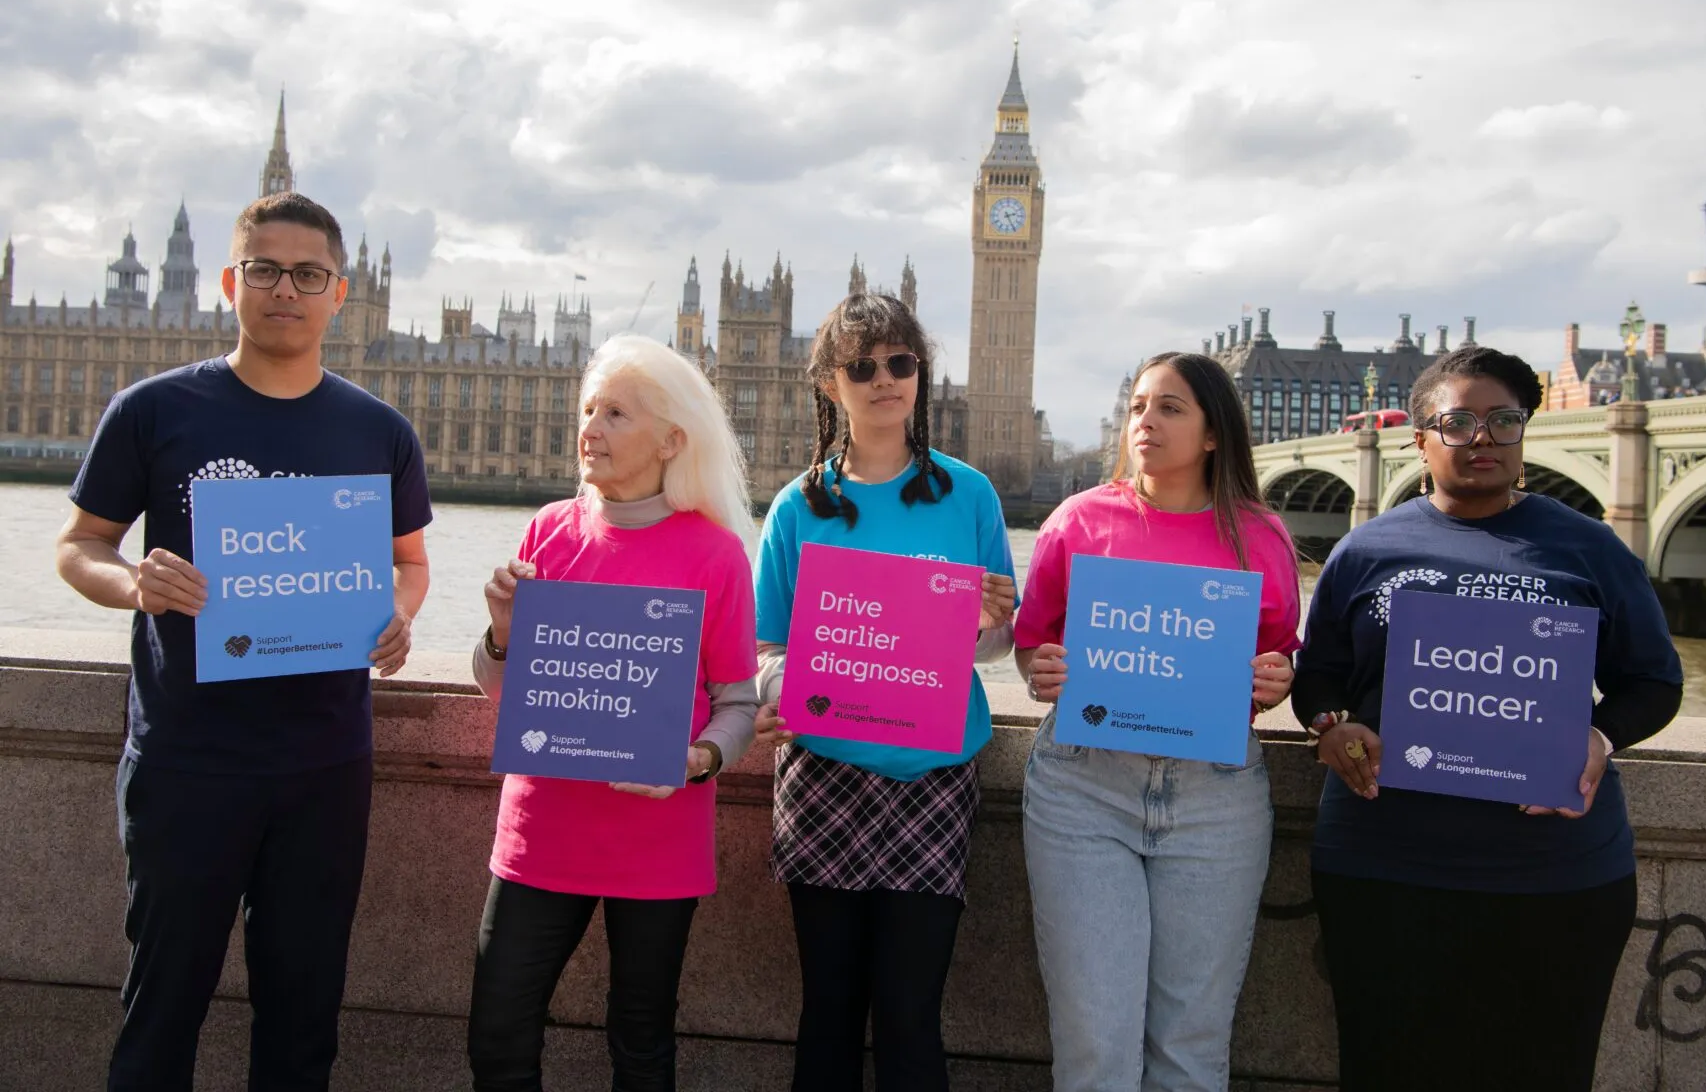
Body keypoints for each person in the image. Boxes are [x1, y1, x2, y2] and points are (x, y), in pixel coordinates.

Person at [54, 192, 432, 1091]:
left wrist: (400, 615)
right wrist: (133, 585)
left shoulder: (380, 431)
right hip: (188, 760)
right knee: (161, 1010)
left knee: (304, 1019)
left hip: (325, 764)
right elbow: (78, 546)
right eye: (265, 270)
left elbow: (410, 563)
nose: (285, 291)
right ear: (231, 282)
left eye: (309, 275)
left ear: (344, 293)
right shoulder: (152, 410)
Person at [1293, 346, 1683, 1092]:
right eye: (1460, 421)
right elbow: (1319, 677)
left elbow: (1654, 683)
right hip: (1384, 865)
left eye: (1504, 420)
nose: (1483, 438)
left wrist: (1598, 736)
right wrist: (1331, 727)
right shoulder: (1365, 549)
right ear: (1421, 440)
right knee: (1385, 1068)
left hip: (1556, 874)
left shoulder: (1590, 548)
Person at [466, 335, 759, 1092]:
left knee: (641, 1043)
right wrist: (502, 632)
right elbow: (505, 694)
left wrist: (697, 760)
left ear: (670, 439)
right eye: (587, 409)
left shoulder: (716, 554)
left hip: (658, 840)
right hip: (541, 832)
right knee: (498, 1034)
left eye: (616, 413)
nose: (590, 427)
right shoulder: (547, 530)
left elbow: (737, 704)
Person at [1013, 352, 1301, 1092]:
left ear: (1213, 434)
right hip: (1085, 790)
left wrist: (1277, 679)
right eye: (1139, 405)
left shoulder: (1261, 536)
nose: (1146, 420)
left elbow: (1275, 662)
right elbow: (1033, 644)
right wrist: (1040, 670)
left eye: (1170, 407)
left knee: (1190, 1049)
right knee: (1095, 1046)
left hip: (1216, 795)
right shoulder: (1078, 521)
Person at [750, 292, 1016, 1092]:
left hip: (932, 780)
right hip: (824, 774)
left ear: (920, 373)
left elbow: (999, 643)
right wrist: (792, 687)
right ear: (832, 385)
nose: (884, 380)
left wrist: (983, 622)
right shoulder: (798, 505)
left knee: (909, 1015)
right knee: (827, 1010)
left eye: (900, 362)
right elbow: (765, 649)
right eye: (861, 367)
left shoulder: (969, 495)